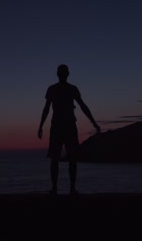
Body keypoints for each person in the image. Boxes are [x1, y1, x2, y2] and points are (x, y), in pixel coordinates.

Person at [38, 64, 100, 195]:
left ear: (65, 74)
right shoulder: (54, 89)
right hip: (58, 126)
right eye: (61, 72)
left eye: (63, 72)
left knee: (70, 158)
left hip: (68, 126)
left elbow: (83, 106)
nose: (62, 74)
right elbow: (46, 109)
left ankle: (69, 188)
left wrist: (94, 122)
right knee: (57, 158)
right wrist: (41, 126)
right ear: (61, 74)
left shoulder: (71, 89)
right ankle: (58, 188)